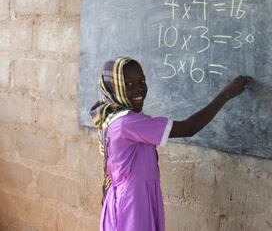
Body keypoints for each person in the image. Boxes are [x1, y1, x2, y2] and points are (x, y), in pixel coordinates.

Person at [90, 56, 252, 231]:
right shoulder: (127, 122)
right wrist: (226, 94)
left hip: (130, 195)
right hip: (134, 201)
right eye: (128, 84)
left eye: (142, 80)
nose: (139, 88)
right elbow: (189, 128)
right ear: (114, 88)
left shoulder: (113, 116)